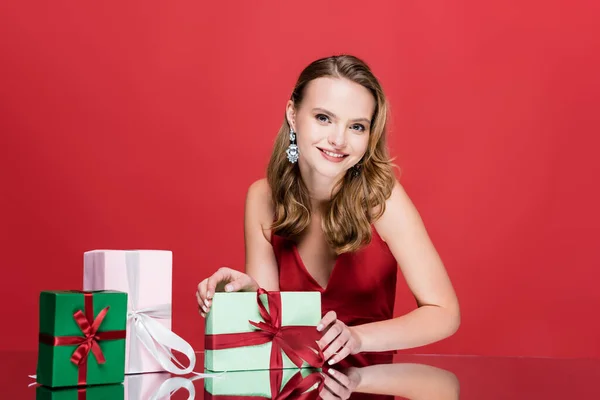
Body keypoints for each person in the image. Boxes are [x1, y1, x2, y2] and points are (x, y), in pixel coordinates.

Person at [196, 54, 460, 378]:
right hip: (290, 387)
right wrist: (244, 295)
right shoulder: (262, 198)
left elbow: (444, 313)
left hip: (367, 389)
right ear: (293, 114)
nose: (338, 139)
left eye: (357, 126)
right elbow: (271, 330)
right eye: (324, 118)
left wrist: (359, 338)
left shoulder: (382, 200)